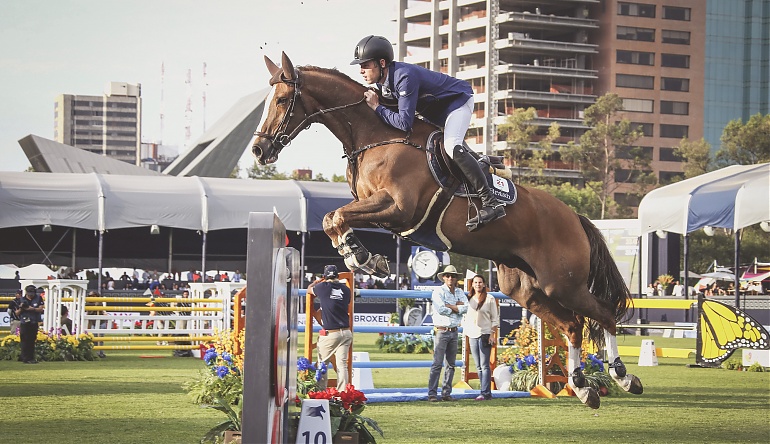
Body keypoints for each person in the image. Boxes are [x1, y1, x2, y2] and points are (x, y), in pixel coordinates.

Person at [351, 35, 505, 230]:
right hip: (437, 111)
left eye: (365, 65)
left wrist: (377, 108)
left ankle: (491, 202)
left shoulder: (403, 77)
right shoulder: (384, 82)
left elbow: (404, 123)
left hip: (457, 103)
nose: (361, 70)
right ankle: (482, 162)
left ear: (381, 63)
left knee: (451, 146)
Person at [307, 265, 353, 391]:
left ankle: (321, 393)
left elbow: (309, 290)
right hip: (346, 332)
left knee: (322, 364)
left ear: (324, 277)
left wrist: (316, 282)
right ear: (337, 276)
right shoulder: (346, 290)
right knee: (342, 365)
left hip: (331, 333)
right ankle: (343, 394)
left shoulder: (322, 287)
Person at [427, 265, 468, 402]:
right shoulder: (438, 291)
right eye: (448, 276)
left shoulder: (459, 292)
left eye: (453, 276)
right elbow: (440, 309)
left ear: (456, 278)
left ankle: (446, 393)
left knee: (451, 364)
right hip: (442, 330)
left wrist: (449, 306)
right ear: (444, 277)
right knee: (438, 364)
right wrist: (456, 306)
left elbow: (466, 307)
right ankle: (432, 393)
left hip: (453, 331)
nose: (450, 278)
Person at [462, 274, 499, 401]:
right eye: (475, 282)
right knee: (478, 365)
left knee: (485, 365)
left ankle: (485, 392)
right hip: (472, 334)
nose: (478, 284)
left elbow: (495, 319)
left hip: (485, 334)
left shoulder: (490, 299)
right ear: (472, 284)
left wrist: (492, 334)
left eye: (480, 282)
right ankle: (483, 391)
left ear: (484, 284)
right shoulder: (469, 299)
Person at [16, 285, 44, 364]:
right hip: (24, 322)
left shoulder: (38, 298)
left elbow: (41, 309)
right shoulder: (21, 299)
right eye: (29, 293)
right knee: (24, 340)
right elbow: (17, 313)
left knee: (32, 340)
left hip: (33, 322)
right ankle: (24, 357)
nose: (31, 295)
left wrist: (33, 309)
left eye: (32, 293)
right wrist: (22, 308)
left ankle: (31, 357)